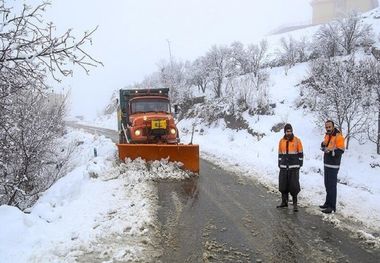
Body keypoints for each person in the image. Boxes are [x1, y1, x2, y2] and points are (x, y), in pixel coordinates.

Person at [319, 120, 345, 214]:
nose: (328, 128)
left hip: (333, 165)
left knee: (332, 186)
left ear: (333, 127)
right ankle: (327, 203)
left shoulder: (339, 137)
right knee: (327, 184)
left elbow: (340, 151)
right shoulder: (327, 135)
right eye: (326, 127)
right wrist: (323, 146)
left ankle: (332, 206)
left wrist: (330, 152)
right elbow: (325, 144)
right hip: (327, 164)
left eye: (329, 127)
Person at [277, 123, 303, 212]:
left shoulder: (297, 140)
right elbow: (280, 154)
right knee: (283, 185)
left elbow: (300, 153)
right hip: (284, 166)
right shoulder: (281, 141)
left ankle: (295, 204)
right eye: (287, 131)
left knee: (294, 186)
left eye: (290, 131)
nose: (289, 133)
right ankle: (284, 202)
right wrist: (279, 163)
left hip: (294, 167)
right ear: (285, 132)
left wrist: (300, 164)